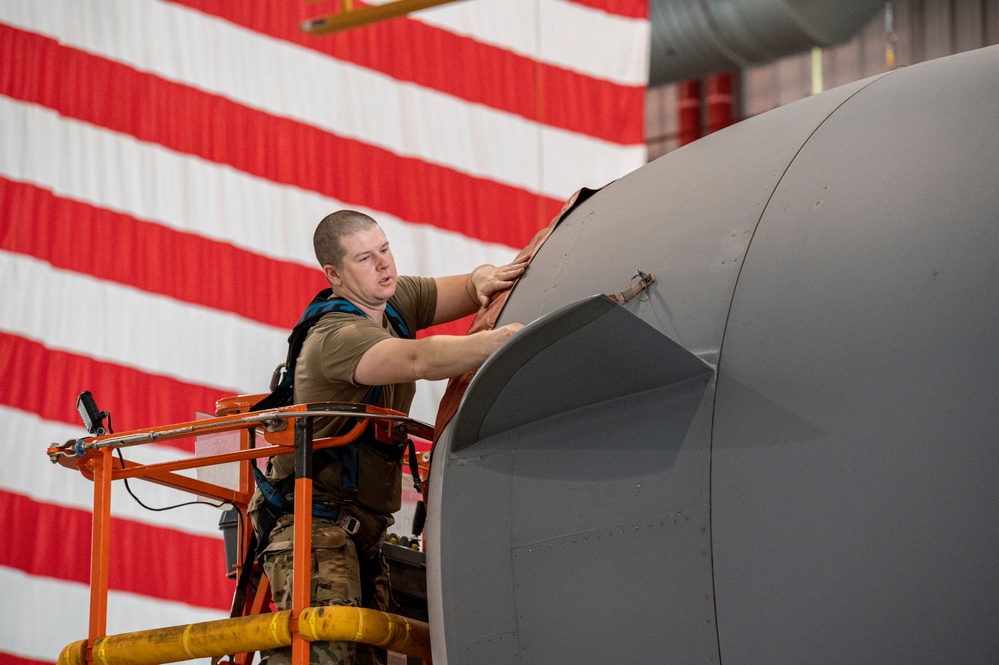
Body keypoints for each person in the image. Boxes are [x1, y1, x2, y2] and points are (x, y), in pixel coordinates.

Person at [249, 209, 526, 665]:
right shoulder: (334, 337)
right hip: (315, 532)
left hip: (364, 535)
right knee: (325, 653)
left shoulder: (393, 302)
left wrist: (482, 278)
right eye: (364, 258)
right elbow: (418, 359)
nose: (383, 265)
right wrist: (498, 343)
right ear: (334, 275)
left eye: (385, 249)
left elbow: (458, 289)